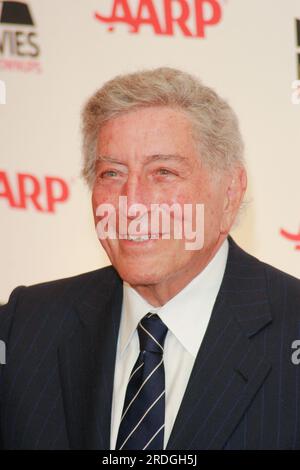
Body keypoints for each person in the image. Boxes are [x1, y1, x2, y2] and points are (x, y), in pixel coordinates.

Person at [1, 67, 300, 450]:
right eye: (111, 173)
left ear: (229, 193)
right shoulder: (24, 327)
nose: (133, 203)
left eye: (163, 172)